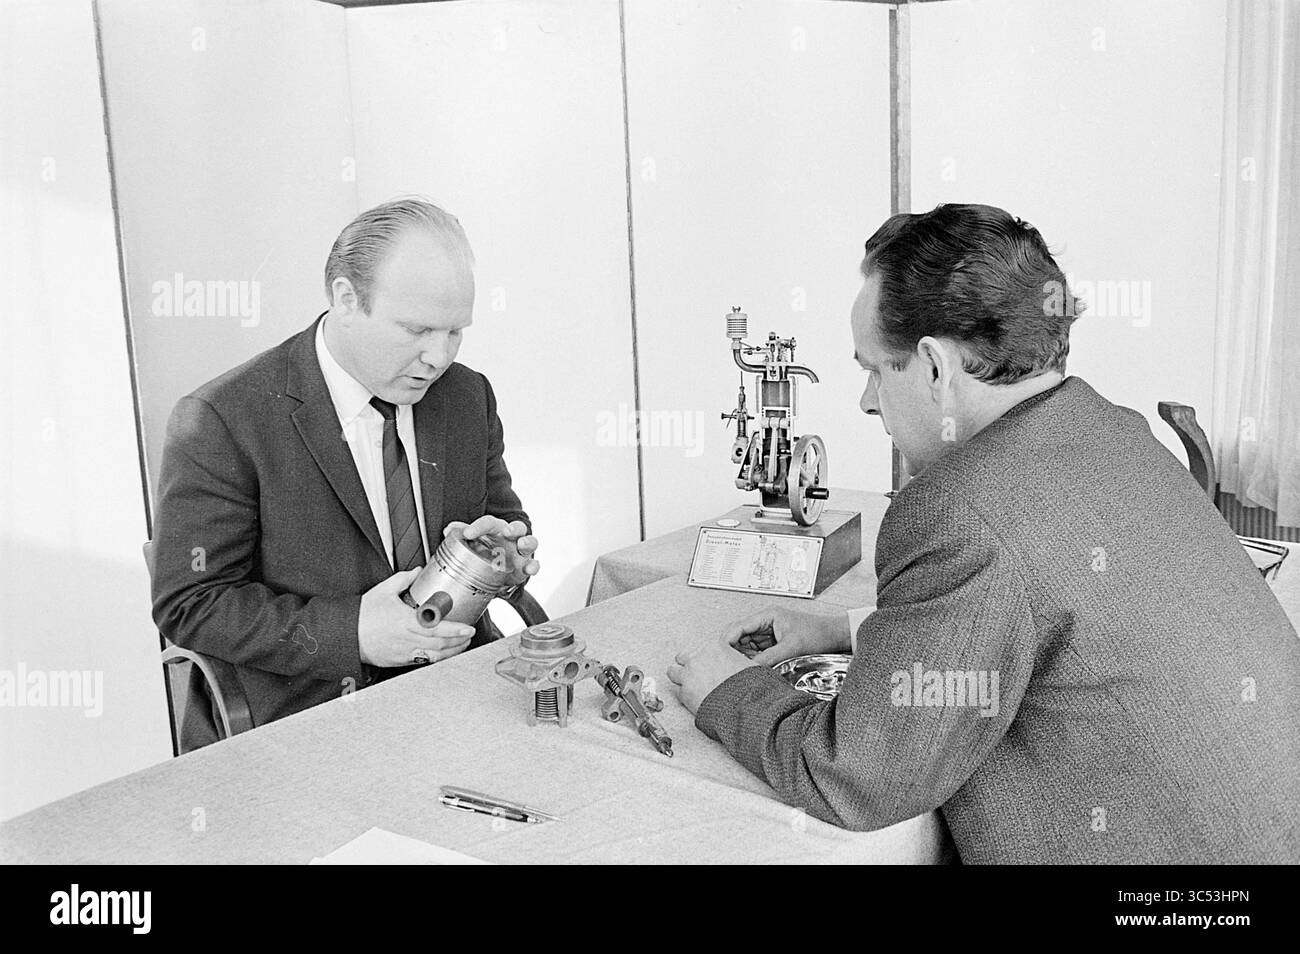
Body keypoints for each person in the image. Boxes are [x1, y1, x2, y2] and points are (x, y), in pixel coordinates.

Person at [667, 203, 1300, 863]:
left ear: (936, 369)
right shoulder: (1115, 429)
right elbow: (1045, 611)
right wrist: (846, 631)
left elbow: (858, 777)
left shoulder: (954, 511)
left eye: (875, 369)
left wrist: (725, 691)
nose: (866, 400)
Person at [151, 198, 538, 750]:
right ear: (346, 298)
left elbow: (501, 516)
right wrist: (354, 632)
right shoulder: (223, 419)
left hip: (462, 687)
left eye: (455, 332)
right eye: (416, 329)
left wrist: (503, 552)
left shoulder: (465, 395)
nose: (438, 357)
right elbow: (190, 604)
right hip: (315, 713)